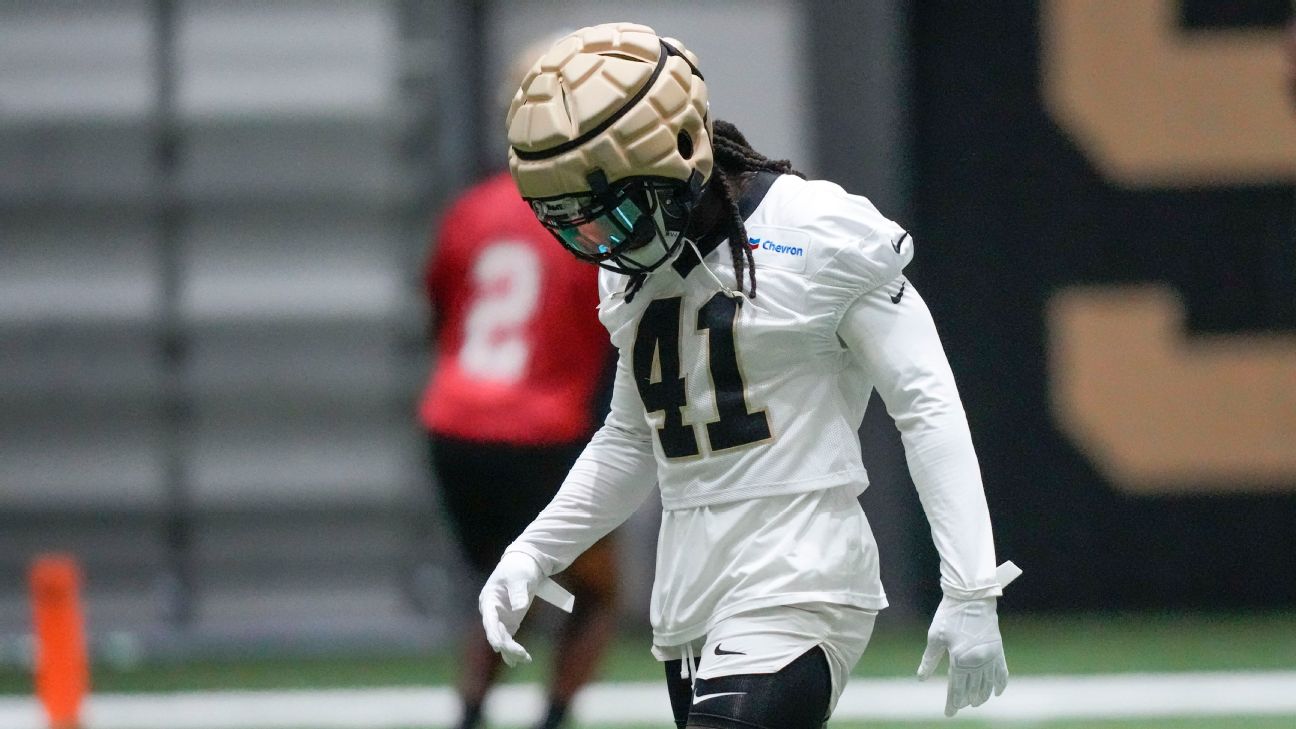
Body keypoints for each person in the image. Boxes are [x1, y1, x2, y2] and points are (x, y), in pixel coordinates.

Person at [478, 22, 1020, 729]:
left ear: (677, 153)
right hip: (693, 589)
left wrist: (973, 585)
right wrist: (534, 551)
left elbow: (926, 404)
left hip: (800, 570)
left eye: (613, 210)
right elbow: (630, 440)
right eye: (575, 220)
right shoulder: (632, 274)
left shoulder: (818, 231)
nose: (598, 241)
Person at [417, 39, 620, 729]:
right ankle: (553, 716)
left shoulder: (472, 209)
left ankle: (471, 711)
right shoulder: (591, 219)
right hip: (539, 429)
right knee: (592, 594)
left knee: (514, 581)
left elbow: (441, 313)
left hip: (453, 425)